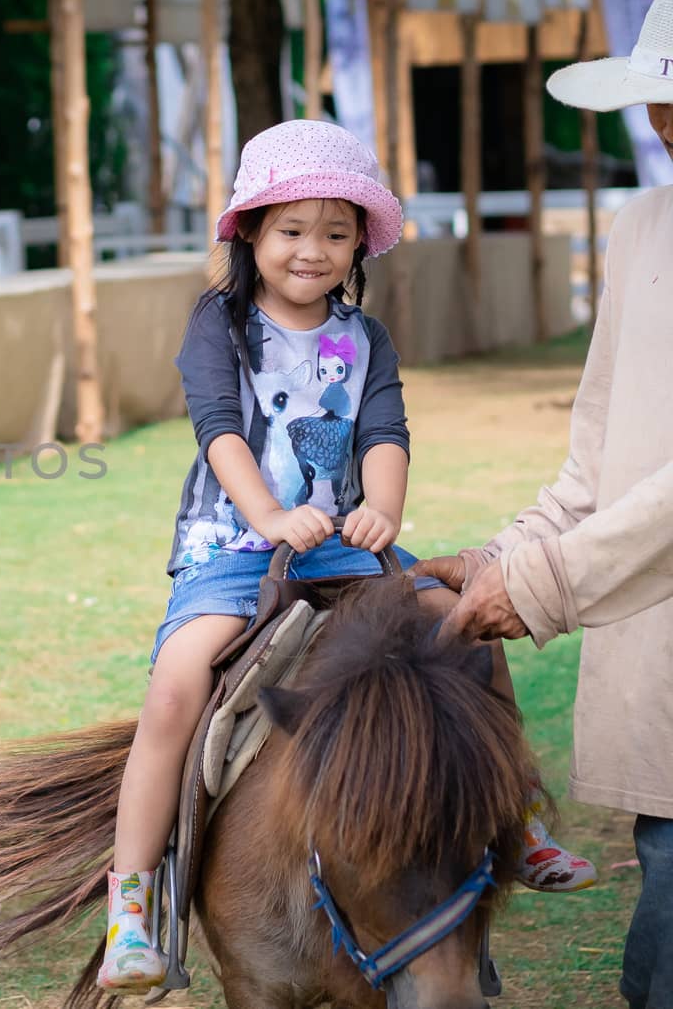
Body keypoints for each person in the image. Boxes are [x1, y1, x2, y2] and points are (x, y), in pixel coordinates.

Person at [99, 119, 590, 994]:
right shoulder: (220, 325)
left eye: (335, 232)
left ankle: (520, 818)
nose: (312, 251)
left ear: (360, 241)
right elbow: (220, 431)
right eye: (291, 230)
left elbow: (384, 433)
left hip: (344, 549)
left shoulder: (366, 339)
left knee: (468, 621)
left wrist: (382, 509)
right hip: (235, 544)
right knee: (175, 686)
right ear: (249, 233)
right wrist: (271, 516)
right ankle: (134, 907)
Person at [410, 0, 673, 1009]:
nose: (661, 120)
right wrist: (498, 556)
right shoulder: (640, 227)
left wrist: (544, 582)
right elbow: (596, 455)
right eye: (661, 98)